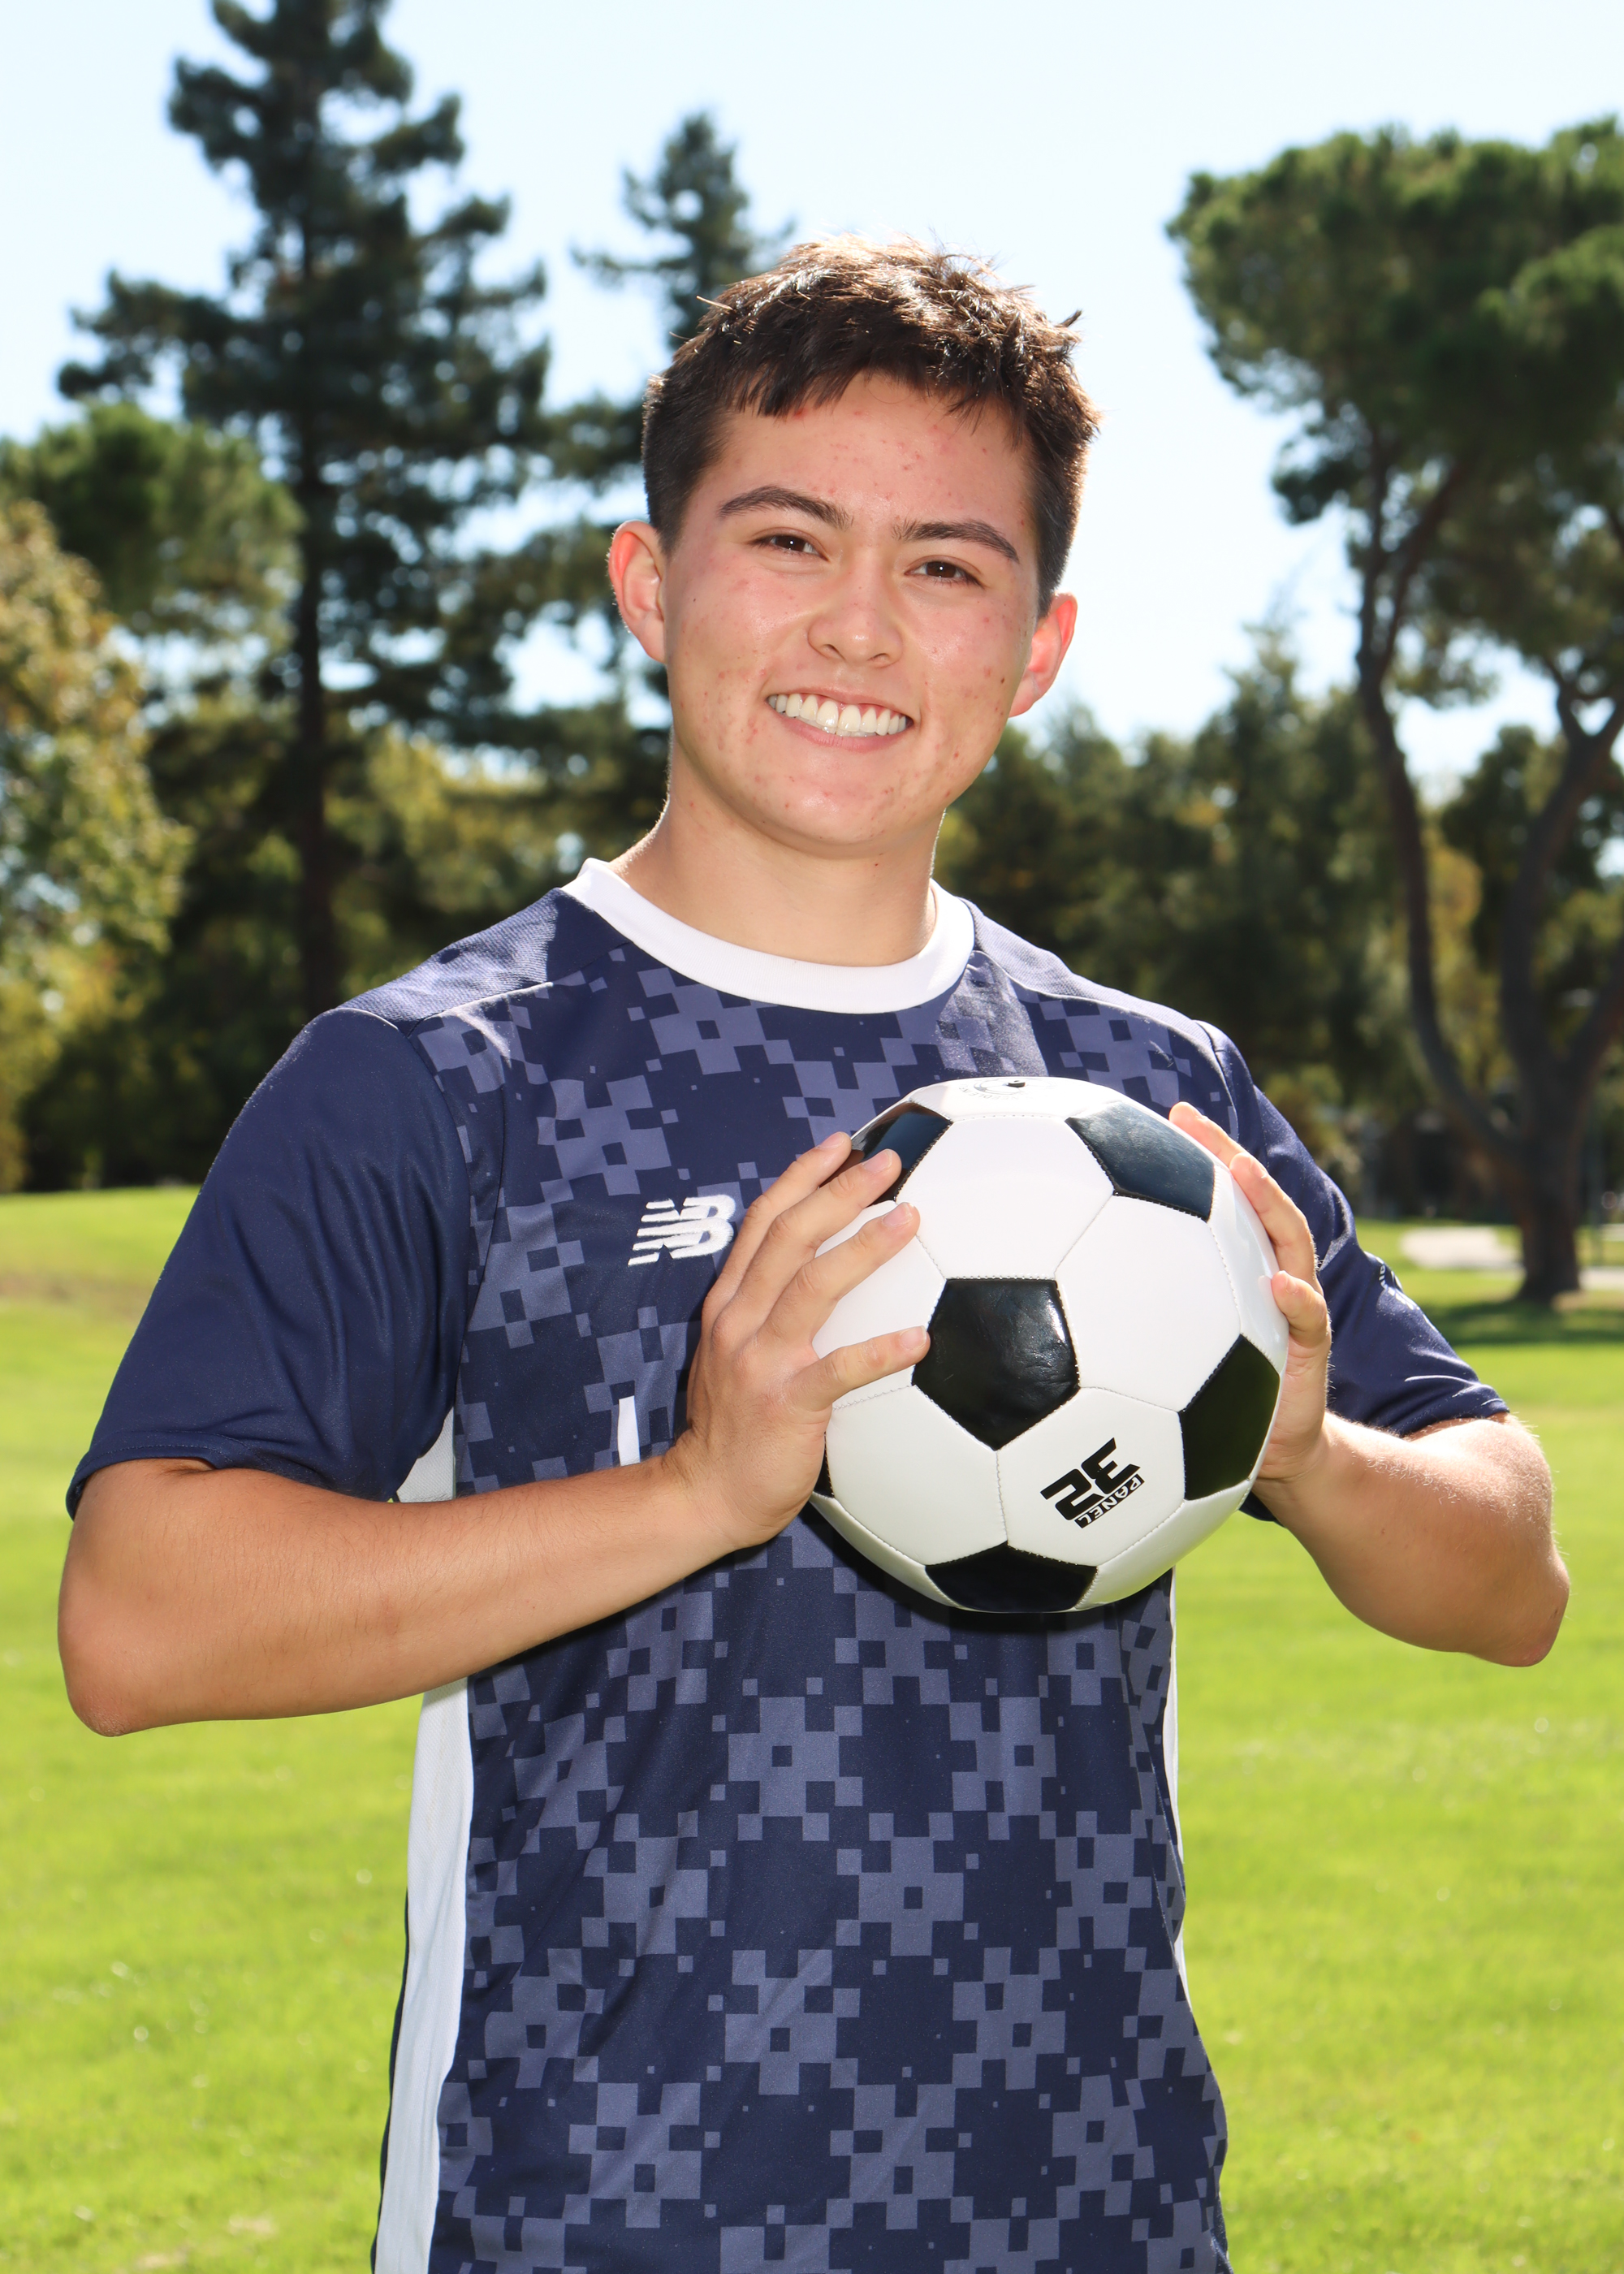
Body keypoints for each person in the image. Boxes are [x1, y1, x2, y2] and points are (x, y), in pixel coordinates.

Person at [60, 238, 1566, 2274]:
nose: (860, 622)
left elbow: (1509, 1574)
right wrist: (696, 1489)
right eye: (787, 539)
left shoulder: (1149, 1093)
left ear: (1034, 648)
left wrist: (1306, 1450)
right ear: (649, 582)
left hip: (1102, 2214)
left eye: (946, 565)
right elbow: (141, 1617)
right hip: (587, 2215)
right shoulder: (435, 1076)